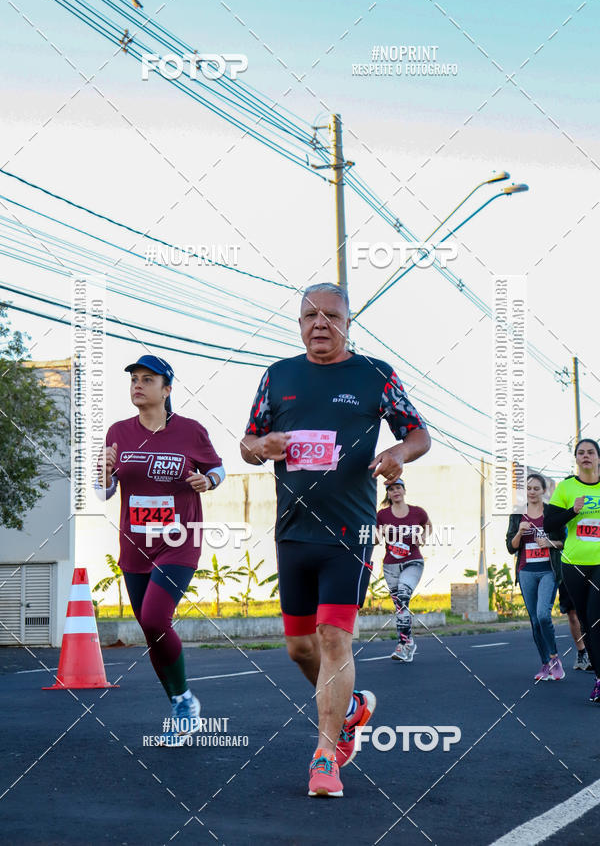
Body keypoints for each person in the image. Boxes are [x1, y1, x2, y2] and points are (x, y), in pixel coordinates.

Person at [240, 282, 430, 797]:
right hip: (293, 531)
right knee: (300, 647)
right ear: (299, 323)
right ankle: (350, 710)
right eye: (309, 316)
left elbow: (418, 432)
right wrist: (264, 446)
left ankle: (327, 756)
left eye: (331, 315)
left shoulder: (375, 375)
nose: (319, 324)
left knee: (333, 638)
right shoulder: (278, 377)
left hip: (349, 532)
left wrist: (398, 456)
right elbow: (246, 443)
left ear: (349, 321)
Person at [97, 354, 225, 744]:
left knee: (154, 617)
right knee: (151, 631)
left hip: (178, 542)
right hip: (135, 546)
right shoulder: (118, 431)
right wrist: (103, 471)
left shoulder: (190, 430)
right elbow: (105, 492)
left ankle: (184, 703)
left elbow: (218, 468)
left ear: (167, 389)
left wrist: (209, 481)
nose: (137, 384)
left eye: (147, 379)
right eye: (133, 378)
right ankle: (181, 702)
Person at [545, 439, 600, 703]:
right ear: (576, 459)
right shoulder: (567, 487)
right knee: (587, 623)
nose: (586, 456)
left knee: (596, 616)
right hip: (574, 564)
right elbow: (549, 523)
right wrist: (572, 510)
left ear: (598, 458)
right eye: (581, 453)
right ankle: (599, 678)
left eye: (591, 452)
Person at [506, 473, 566, 681]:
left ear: (543, 491)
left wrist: (549, 543)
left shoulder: (551, 513)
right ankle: (545, 664)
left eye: (536, 488)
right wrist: (519, 533)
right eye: (529, 488)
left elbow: (563, 542)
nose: (532, 492)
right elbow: (510, 548)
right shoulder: (517, 516)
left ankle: (555, 659)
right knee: (534, 620)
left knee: (543, 615)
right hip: (526, 572)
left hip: (548, 570)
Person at [376, 478, 431, 662]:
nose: (395, 492)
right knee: (400, 606)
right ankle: (408, 643)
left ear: (404, 490)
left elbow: (428, 525)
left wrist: (422, 536)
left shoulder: (417, 512)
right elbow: (375, 540)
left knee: (402, 596)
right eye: (391, 489)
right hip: (390, 565)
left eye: (398, 488)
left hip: (413, 562)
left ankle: (403, 644)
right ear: (388, 494)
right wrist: (380, 533)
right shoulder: (382, 515)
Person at [558, 582, 592, 671]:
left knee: (591, 612)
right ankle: (581, 653)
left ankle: (593, 653)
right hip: (568, 574)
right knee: (572, 613)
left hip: (591, 572)